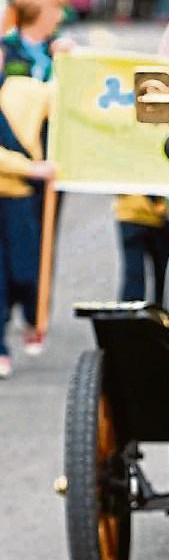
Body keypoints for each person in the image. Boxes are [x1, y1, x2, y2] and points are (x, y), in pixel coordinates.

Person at [0, 50, 54, 378]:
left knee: (24, 271)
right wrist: (29, 167)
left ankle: (32, 316)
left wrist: (67, 64)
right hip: (21, 180)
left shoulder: (23, 89)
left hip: (20, 197)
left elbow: (64, 99)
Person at [1, 0, 74, 82]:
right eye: (56, 8)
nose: (61, 16)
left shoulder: (59, 46)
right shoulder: (6, 47)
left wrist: (66, 61)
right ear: (35, 10)